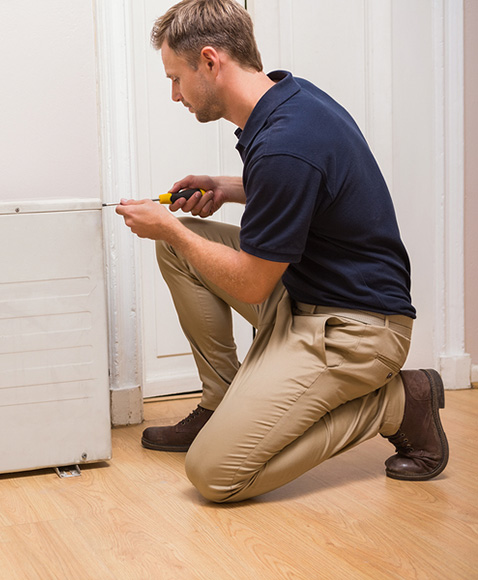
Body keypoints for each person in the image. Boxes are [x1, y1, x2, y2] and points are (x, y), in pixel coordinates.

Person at [115, 0, 448, 503]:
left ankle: (398, 402)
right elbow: (303, 186)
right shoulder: (289, 99)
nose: (174, 94)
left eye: (177, 78)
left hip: (355, 329)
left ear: (210, 60)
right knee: (183, 246)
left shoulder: (285, 143)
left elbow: (252, 283)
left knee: (215, 475)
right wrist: (227, 187)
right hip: (304, 293)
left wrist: (170, 230)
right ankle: (220, 400)